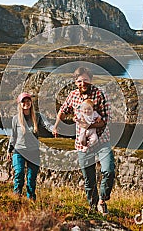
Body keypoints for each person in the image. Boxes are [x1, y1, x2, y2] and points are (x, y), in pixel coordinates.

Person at [52, 67, 115, 216]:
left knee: (109, 170)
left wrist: (90, 125)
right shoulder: (72, 95)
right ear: (75, 82)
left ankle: (102, 200)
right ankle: (93, 208)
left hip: (101, 141)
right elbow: (63, 110)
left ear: (90, 80)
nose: (83, 83)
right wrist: (56, 126)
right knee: (89, 179)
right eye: (79, 81)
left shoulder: (100, 94)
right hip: (83, 145)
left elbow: (106, 120)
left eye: (85, 80)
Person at [6, 92, 48, 200]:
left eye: (28, 100)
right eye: (23, 101)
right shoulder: (16, 119)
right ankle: (17, 196)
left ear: (31, 102)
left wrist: (55, 129)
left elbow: (47, 125)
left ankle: (31, 199)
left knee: (31, 178)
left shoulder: (37, 116)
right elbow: (13, 135)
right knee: (19, 173)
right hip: (19, 150)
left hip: (33, 151)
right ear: (19, 104)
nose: (26, 103)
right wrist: (9, 150)